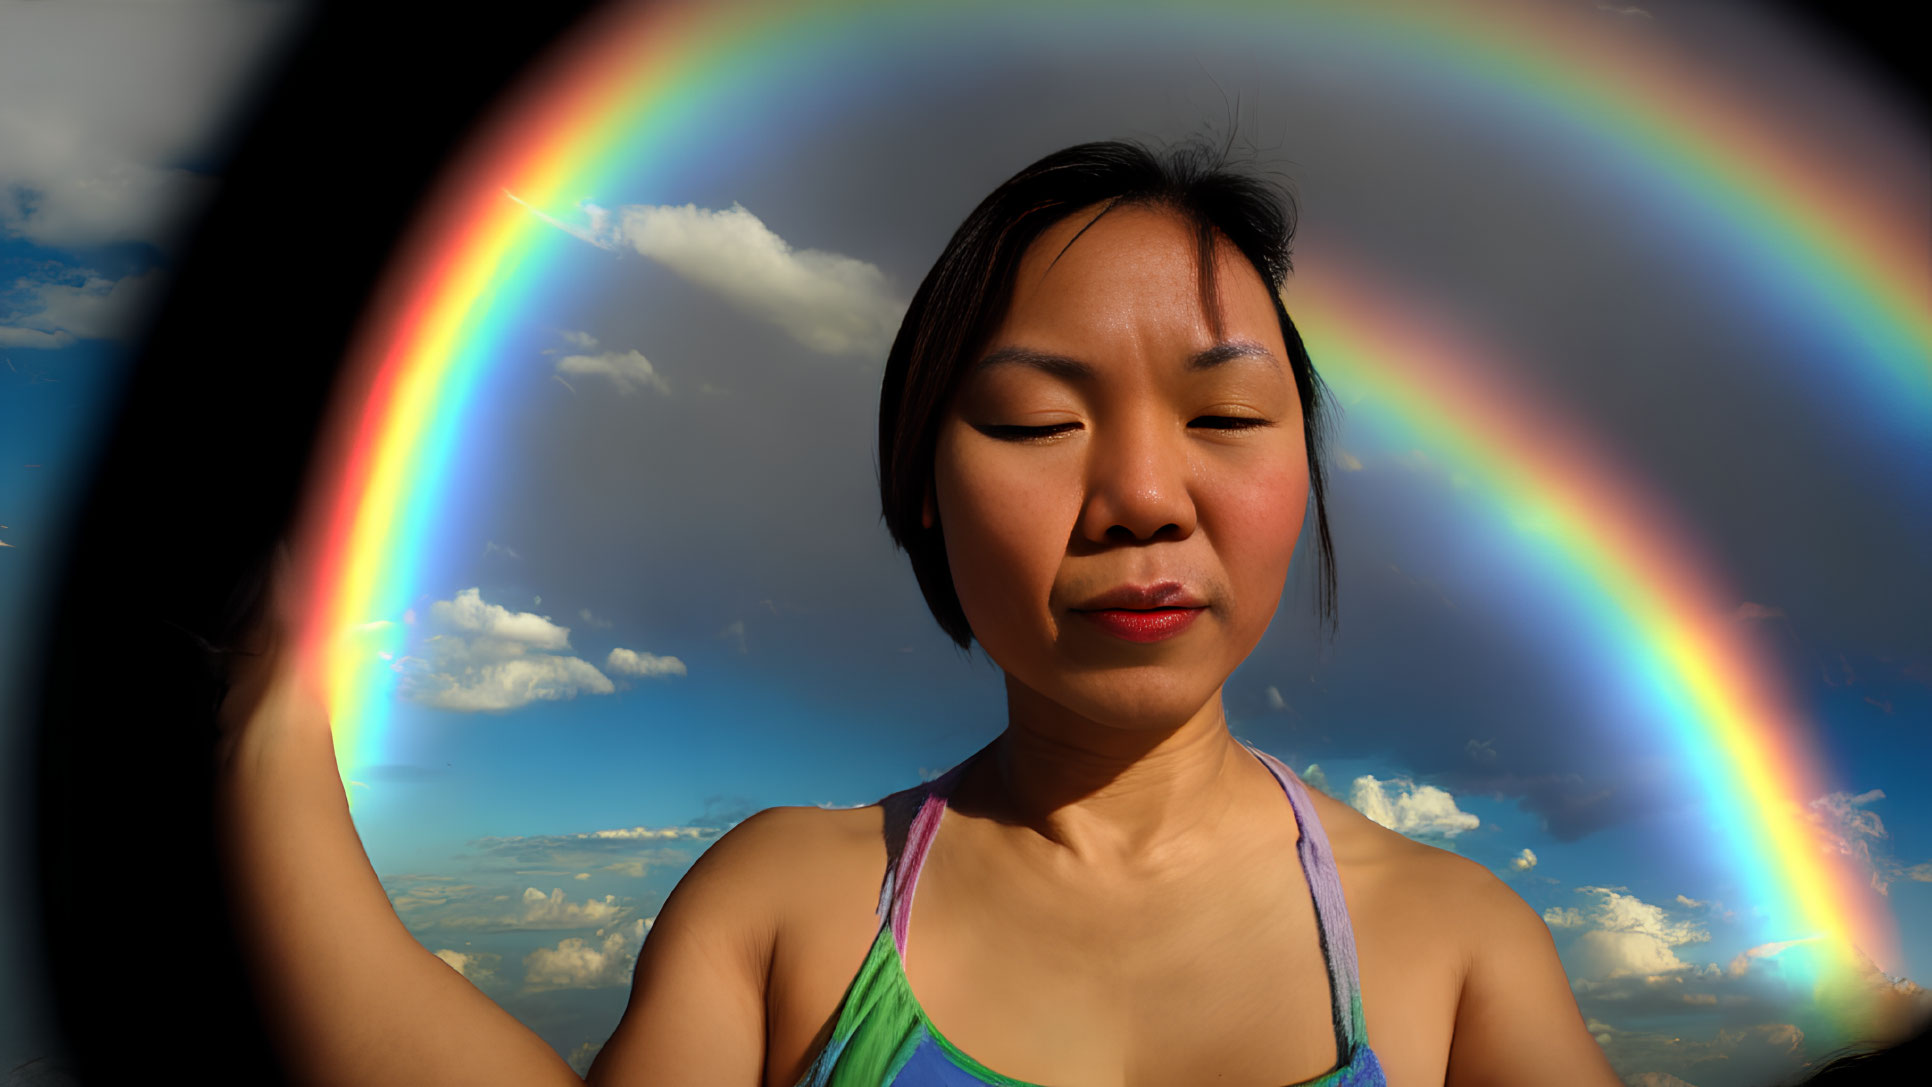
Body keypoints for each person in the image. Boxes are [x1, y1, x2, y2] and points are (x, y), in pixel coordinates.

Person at [214, 138, 1624, 1086]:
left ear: (1301, 476)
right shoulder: (784, 916)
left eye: (1227, 412)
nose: (1141, 491)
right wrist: (273, 717)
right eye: (1032, 419)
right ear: (924, 490)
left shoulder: (1459, 951)